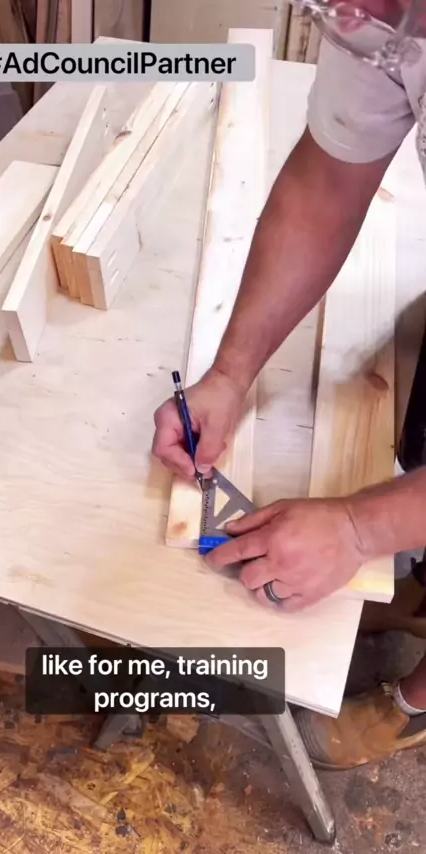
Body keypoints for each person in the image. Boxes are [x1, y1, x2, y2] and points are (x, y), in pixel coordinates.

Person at [152, 0, 426, 768]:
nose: (356, 14)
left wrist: (360, 530)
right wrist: (230, 373)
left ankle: (414, 702)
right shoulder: (379, 14)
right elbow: (329, 181)